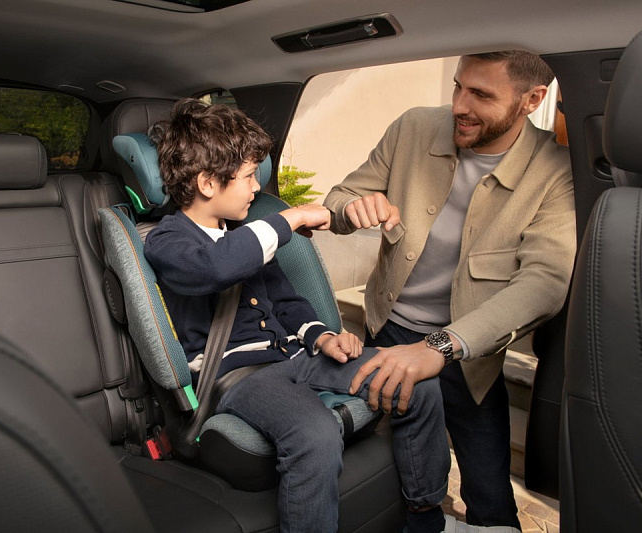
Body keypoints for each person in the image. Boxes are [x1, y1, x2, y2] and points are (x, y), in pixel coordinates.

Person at [144, 98, 452, 533]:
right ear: (208, 183)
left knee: (414, 381)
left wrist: (324, 338)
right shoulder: (168, 241)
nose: (256, 188)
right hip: (239, 377)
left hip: (296, 358)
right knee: (315, 432)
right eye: (248, 176)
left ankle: (425, 517)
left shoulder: (244, 234)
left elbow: (285, 302)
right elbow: (216, 267)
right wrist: (292, 216)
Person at [323, 51, 577, 531]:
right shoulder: (413, 127)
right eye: (458, 85)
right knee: (386, 470)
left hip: (471, 352)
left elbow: (544, 283)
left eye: (480, 94)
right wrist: (351, 209)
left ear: (532, 99)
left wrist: (439, 347)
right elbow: (340, 197)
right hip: (388, 332)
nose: (459, 104)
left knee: (490, 494)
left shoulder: (557, 170)